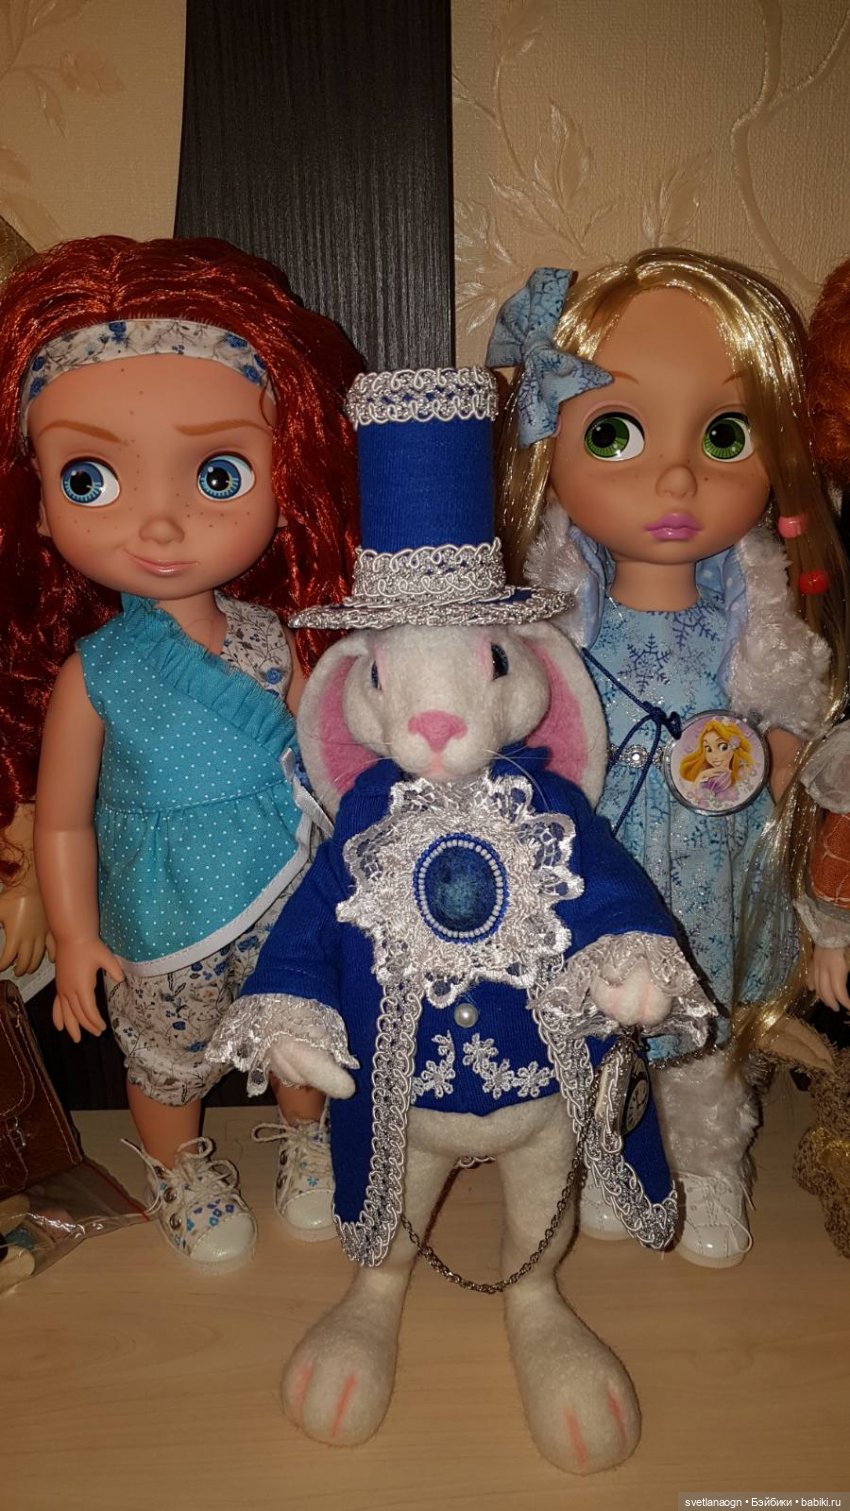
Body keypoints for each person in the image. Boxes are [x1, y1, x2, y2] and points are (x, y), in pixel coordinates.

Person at [0, 235, 360, 1266]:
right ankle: (180, 1166)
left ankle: (307, 1137)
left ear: (284, 477)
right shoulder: (96, 671)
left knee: (298, 1023)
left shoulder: (277, 640)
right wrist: (75, 934)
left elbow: (329, 759)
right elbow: (63, 817)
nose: (160, 524)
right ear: (39, 499)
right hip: (158, 903)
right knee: (167, 1057)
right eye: (91, 477)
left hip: (287, 876)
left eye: (216, 473)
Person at [488, 251, 849, 1264]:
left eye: (725, 435)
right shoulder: (559, 614)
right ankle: (610, 1148)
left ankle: (707, 1161)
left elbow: (789, 714)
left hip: (713, 861)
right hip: (599, 856)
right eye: (614, 432)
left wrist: (782, 753)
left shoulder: (755, 609)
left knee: (704, 1019)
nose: (680, 477)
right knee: (596, 1011)